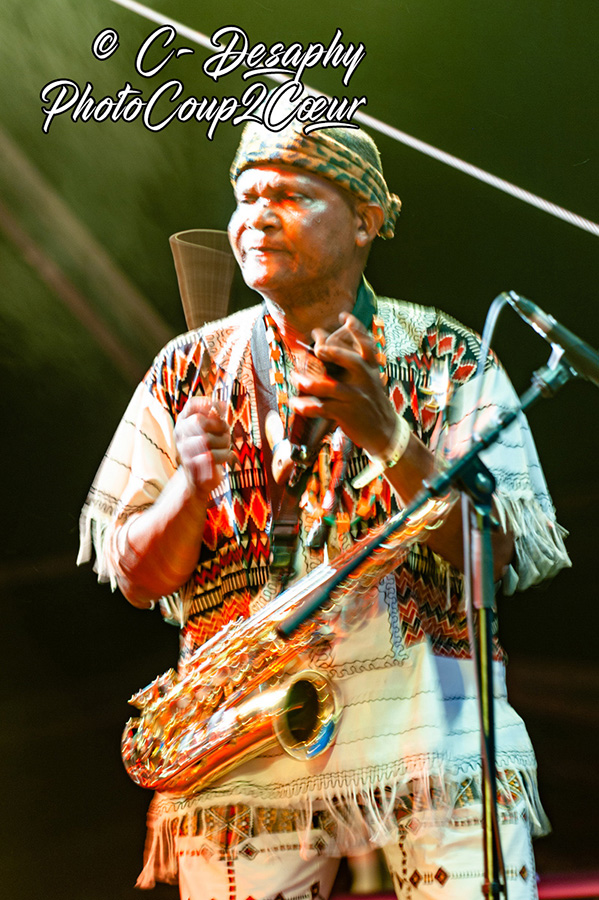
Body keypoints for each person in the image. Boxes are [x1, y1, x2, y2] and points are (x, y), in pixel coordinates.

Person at [79, 119, 570, 900]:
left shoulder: (446, 355)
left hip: (429, 736)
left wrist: (388, 437)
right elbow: (139, 578)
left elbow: (491, 559)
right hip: (244, 749)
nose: (257, 217)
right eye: (246, 196)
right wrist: (187, 489)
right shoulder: (185, 369)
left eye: (290, 195)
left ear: (366, 219)